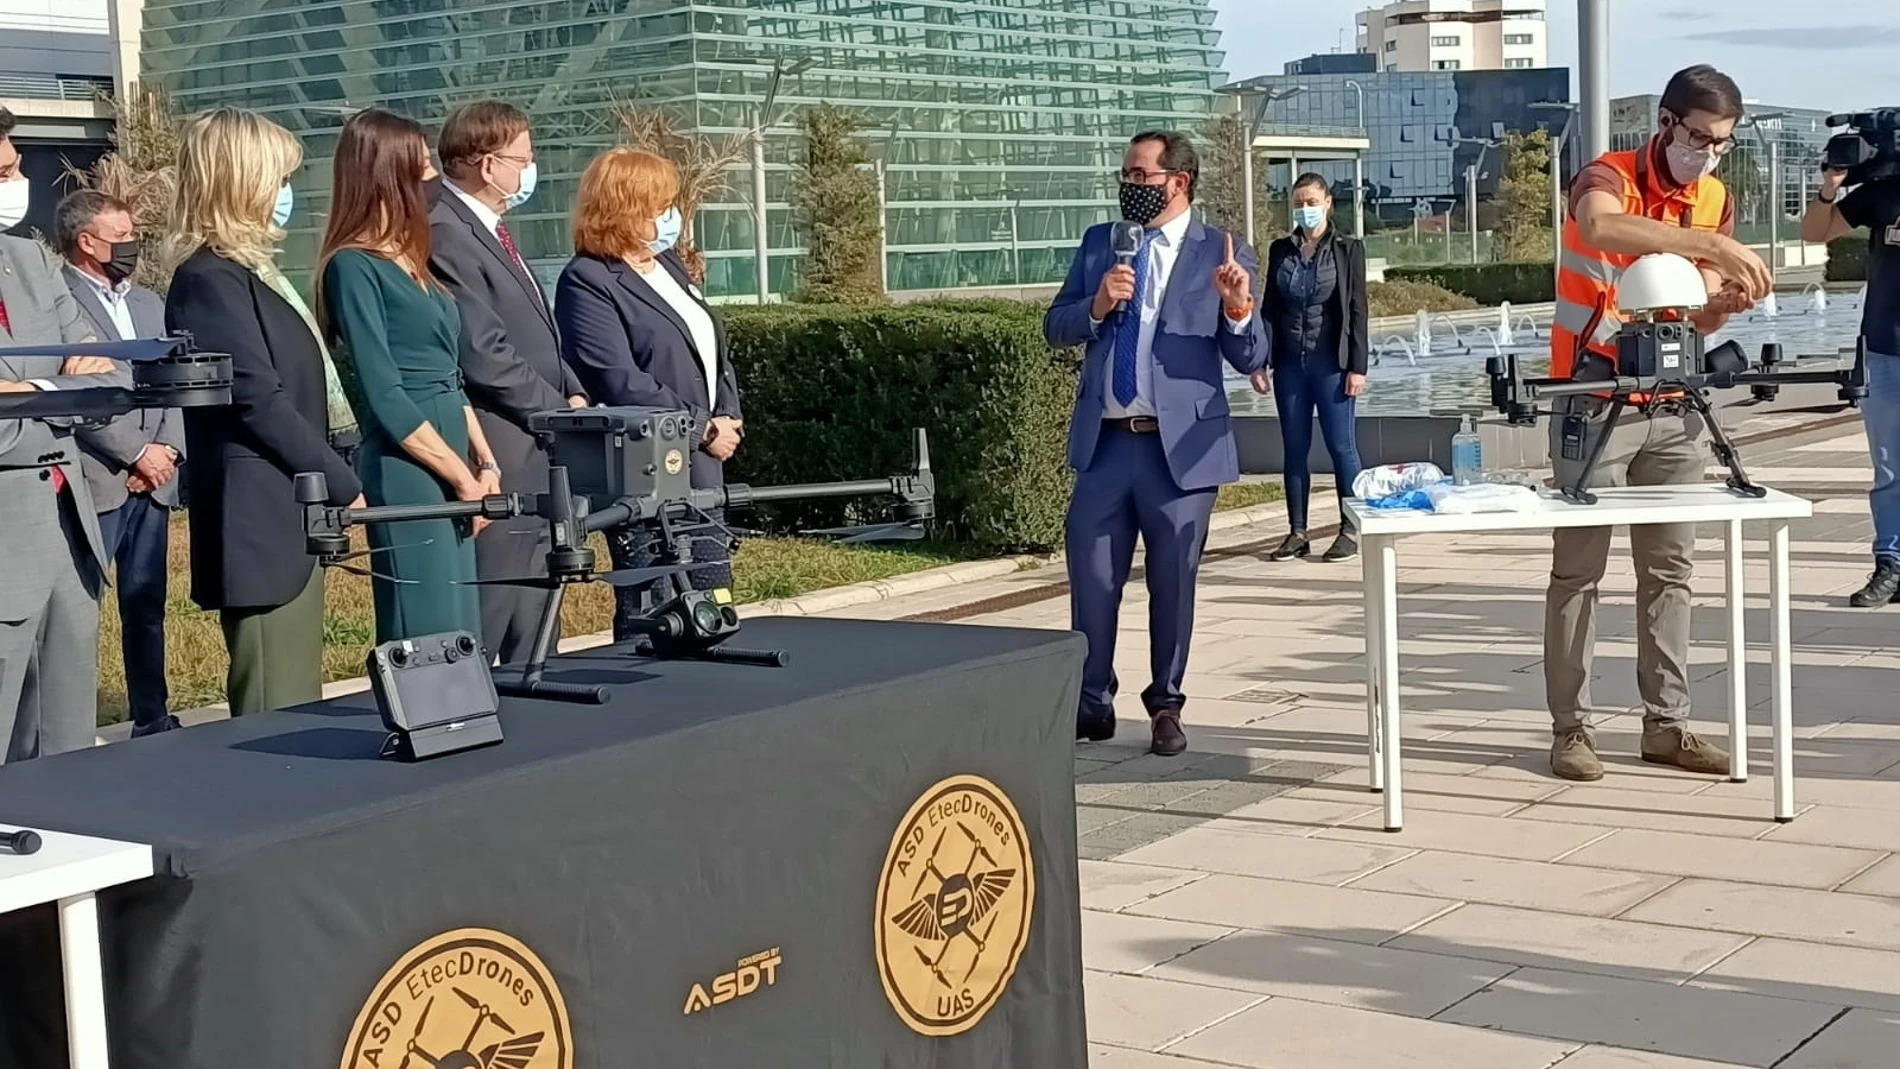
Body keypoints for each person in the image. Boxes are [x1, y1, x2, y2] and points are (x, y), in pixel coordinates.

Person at [1543, 65, 1771, 782]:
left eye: (1721, 144)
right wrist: (1710, 247)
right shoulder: (1604, 175)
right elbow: (1601, 228)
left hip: (1673, 407)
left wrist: (1721, 304)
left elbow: (1693, 312)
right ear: (1665, 124)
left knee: (1671, 572)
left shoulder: (1714, 196)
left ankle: (1666, 725)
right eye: (1698, 137)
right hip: (1595, 395)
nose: (1706, 154)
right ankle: (1570, 729)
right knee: (1578, 573)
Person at [1043, 130, 1268, 757]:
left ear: (1179, 182)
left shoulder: (1222, 251)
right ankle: (1092, 702)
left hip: (1182, 454)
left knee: (1173, 581)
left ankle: (1166, 704)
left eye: (1140, 176)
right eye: (1125, 176)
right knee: (1091, 578)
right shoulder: (1100, 246)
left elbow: (1253, 353)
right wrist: (1095, 304)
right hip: (1108, 446)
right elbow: (1055, 325)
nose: (1129, 187)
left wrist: (1238, 311)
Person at [165, 107, 363, 716]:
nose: (288, 195)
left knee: (296, 690)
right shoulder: (208, 280)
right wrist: (343, 482)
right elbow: (257, 398)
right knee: (274, 700)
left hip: (290, 511)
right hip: (262, 518)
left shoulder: (255, 272)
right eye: (279, 181)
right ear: (241, 182)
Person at [554, 148, 743, 639]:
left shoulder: (668, 265)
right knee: (658, 607)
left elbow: (708, 348)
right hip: (648, 466)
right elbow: (617, 379)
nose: (671, 217)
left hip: (703, 464)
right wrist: (701, 427)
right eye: (659, 206)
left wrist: (728, 415)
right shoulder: (588, 280)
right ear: (624, 208)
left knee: (713, 598)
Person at [320, 108, 491, 644]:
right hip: (408, 462)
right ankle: (426, 721)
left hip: (453, 454)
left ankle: (465, 717)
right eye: (420, 169)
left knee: (462, 614)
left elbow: (450, 373)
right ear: (386, 175)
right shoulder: (354, 266)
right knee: (426, 615)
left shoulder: (413, 260)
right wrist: (461, 478)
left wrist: (484, 460)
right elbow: (384, 393)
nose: (432, 181)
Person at [428, 100, 588, 662]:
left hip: (537, 447)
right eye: (523, 159)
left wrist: (572, 387)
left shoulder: (493, 228)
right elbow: (484, 351)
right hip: (502, 446)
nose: (530, 169)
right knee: (494, 611)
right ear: (486, 162)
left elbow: (538, 334)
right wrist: (556, 412)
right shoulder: (445, 229)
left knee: (539, 618)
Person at [0, 106, 126, 762]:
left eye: (13, 163)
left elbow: (98, 374)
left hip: (66, 525)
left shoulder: (30, 259)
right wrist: (55, 388)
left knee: (68, 745)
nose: (17, 175)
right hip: (4, 535)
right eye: (2, 169)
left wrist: (27, 395)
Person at [55, 189, 186, 737]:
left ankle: (150, 717)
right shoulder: (57, 300)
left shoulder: (149, 303)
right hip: (95, 479)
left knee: (145, 605)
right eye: (121, 236)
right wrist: (133, 451)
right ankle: (68, 725)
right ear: (87, 242)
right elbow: (73, 389)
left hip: (153, 481)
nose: (131, 244)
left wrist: (166, 452)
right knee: (76, 614)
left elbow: (175, 380)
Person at [1253, 173, 1369, 563]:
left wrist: (1358, 366)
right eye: (1298, 202)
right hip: (1290, 365)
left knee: (1342, 447)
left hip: (1332, 366)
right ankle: (1297, 532)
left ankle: (1351, 528)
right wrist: (1260, 360)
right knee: (1295, 450)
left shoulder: (1348, 249)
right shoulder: (1280, 250)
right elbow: (1270, 307)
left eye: (1311, 201)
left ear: (1327, 203)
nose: (1305, 208)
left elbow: (1358, 311)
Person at [1801, 154, 1900, 607]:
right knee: (1889, 469)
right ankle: (1891, 564)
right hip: (1884, 350)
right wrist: (1830, 187)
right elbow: (1815, 232)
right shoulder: (1883, 191)